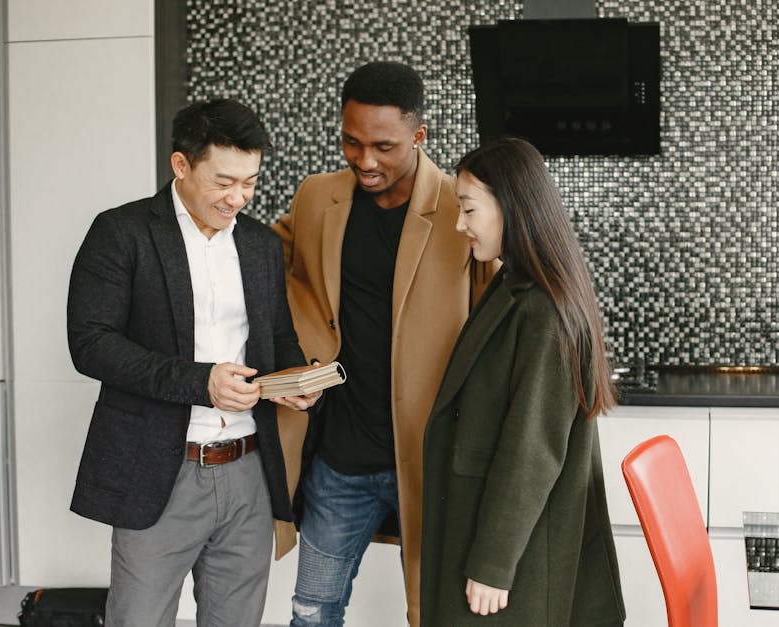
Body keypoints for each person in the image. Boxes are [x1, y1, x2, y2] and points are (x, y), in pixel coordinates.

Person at [66, 98, 320, 627]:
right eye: (223, 182)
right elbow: (90, 343)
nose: (238, 197)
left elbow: (276, 335)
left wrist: (293, 378)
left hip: (249, 468)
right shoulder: (123, 231)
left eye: (249, 182)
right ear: (181, 165)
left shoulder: (259, 244)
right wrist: (201, 382)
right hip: (159, 469)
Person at [271, 61, 495, 626]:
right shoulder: (317, 196)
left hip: (429, 458)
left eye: (383, 147)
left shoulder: (460, 207)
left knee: (433, 615)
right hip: (337, 461)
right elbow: (266, 266)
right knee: (311, 613)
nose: (365, 160)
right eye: (352, 142)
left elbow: (496, 319)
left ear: (419, 135)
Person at [420, 137, 627, 625]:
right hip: (490, 529)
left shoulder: (543, 308)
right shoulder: (515, 284)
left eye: (469, 208)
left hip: (513, 551)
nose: (460, 224)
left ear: (510, 205)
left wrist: (493, 564)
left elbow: (531, 451)